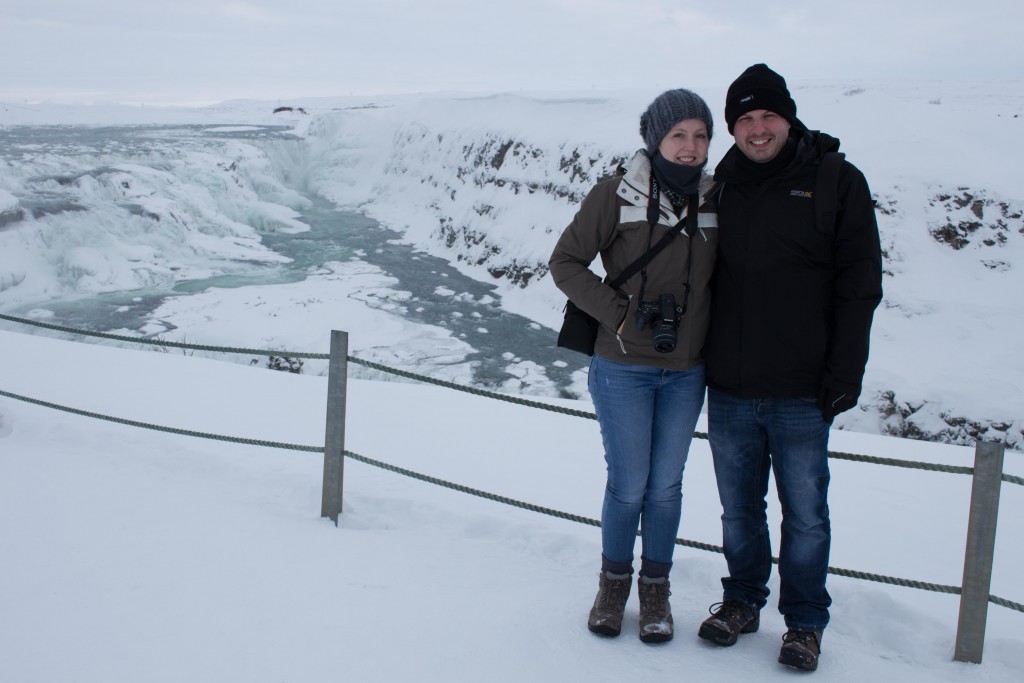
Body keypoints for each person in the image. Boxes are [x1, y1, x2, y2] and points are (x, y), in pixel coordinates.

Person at [697, 64, 883, 671]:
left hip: (802, 388)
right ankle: (743, 600)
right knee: (739, 509)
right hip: (728, 384)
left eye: (767, 116)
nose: (756, 129)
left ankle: (803, 622)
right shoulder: (718, 187)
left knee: (805, 515)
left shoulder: (835, 181)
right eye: (744, 119)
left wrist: (843, 374)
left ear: (789, 117)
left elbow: (860, 286)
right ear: (732, 128)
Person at [548, 89, 719, 643]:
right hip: (621, 367)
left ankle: (656, 591)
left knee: (666, 488)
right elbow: (566, 261)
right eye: (678, 135)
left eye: (700, 135)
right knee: (629, 486)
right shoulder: (615, 194)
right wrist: (620, 315)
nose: (690, 148)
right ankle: (613, 586)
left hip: (687, 369)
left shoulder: (719, 198)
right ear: (655, 139)